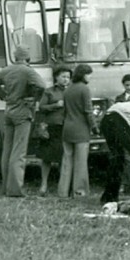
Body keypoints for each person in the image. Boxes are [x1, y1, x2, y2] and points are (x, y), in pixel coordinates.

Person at [0, 45, 46, 197]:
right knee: (19, 152)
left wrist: (3, 95)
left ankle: (5, 187)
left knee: (7, 151)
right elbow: (42, 85)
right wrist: (34, 99)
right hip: (23, 111)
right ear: (28, 58)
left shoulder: (7, 69)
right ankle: (15, 189)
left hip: (9, 110)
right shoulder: (28, 71)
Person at [58, 64, 96, 198]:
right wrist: (94, 127)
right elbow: (88, 111)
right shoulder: (84, 89)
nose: (90, 77)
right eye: (89, 74)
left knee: (67, 161)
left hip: (67, 128)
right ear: (84, 75)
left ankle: (63, 191)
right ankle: (79, 192)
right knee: (81, 163)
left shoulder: (68, 89)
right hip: (81, 129)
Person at [36, 66, 71, 195]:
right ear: (56, 77)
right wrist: (55, 105)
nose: (66, 80)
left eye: (68, 77)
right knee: (47, 157)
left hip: (66, 126)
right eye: (63, 77)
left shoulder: (71, 91)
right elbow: (41, 107)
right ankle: (44, 184)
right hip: (52, 127)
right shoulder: (49, 91)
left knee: (64, 157)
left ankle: (62, 186)